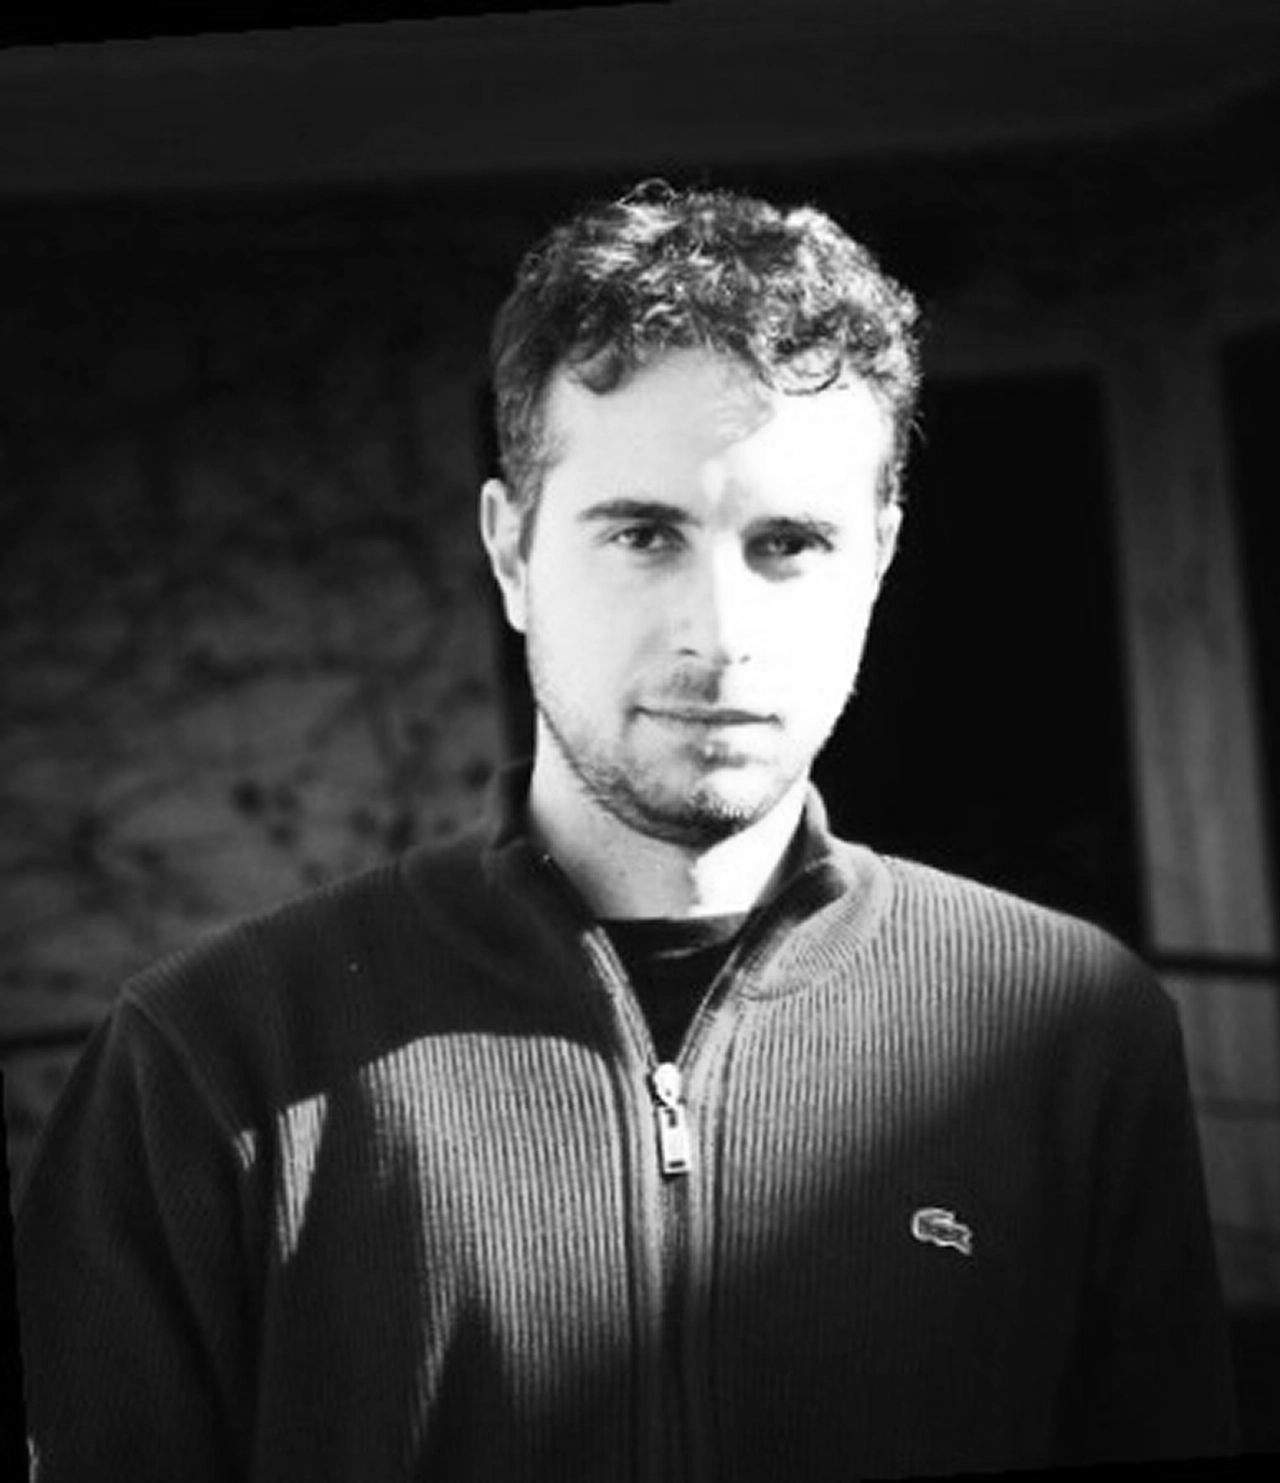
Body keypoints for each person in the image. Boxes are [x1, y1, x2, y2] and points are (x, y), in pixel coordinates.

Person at [14, 181, 1238, 1481]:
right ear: (511, 554)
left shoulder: (1072, 1032)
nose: (720, 631)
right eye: (645, 534)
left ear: (877, 561)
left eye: (789, 542)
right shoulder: (209, 1060)